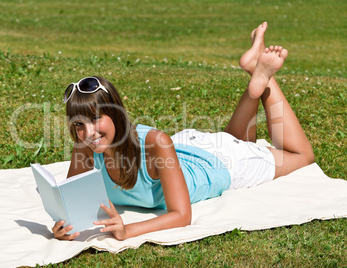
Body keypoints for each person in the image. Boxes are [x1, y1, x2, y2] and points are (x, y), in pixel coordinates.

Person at [52, 22, 315, 241]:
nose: (87, 133)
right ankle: (253, 72)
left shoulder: (153, 142)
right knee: (234, 140)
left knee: (300, 155)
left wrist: (127, 230)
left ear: (116, 114)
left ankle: (266, 79)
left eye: (95, 119)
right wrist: (63, 227)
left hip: (221, 164)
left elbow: (182, 215)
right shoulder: (85, 146)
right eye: (78, 124)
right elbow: (71, 206)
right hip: (187, 149)